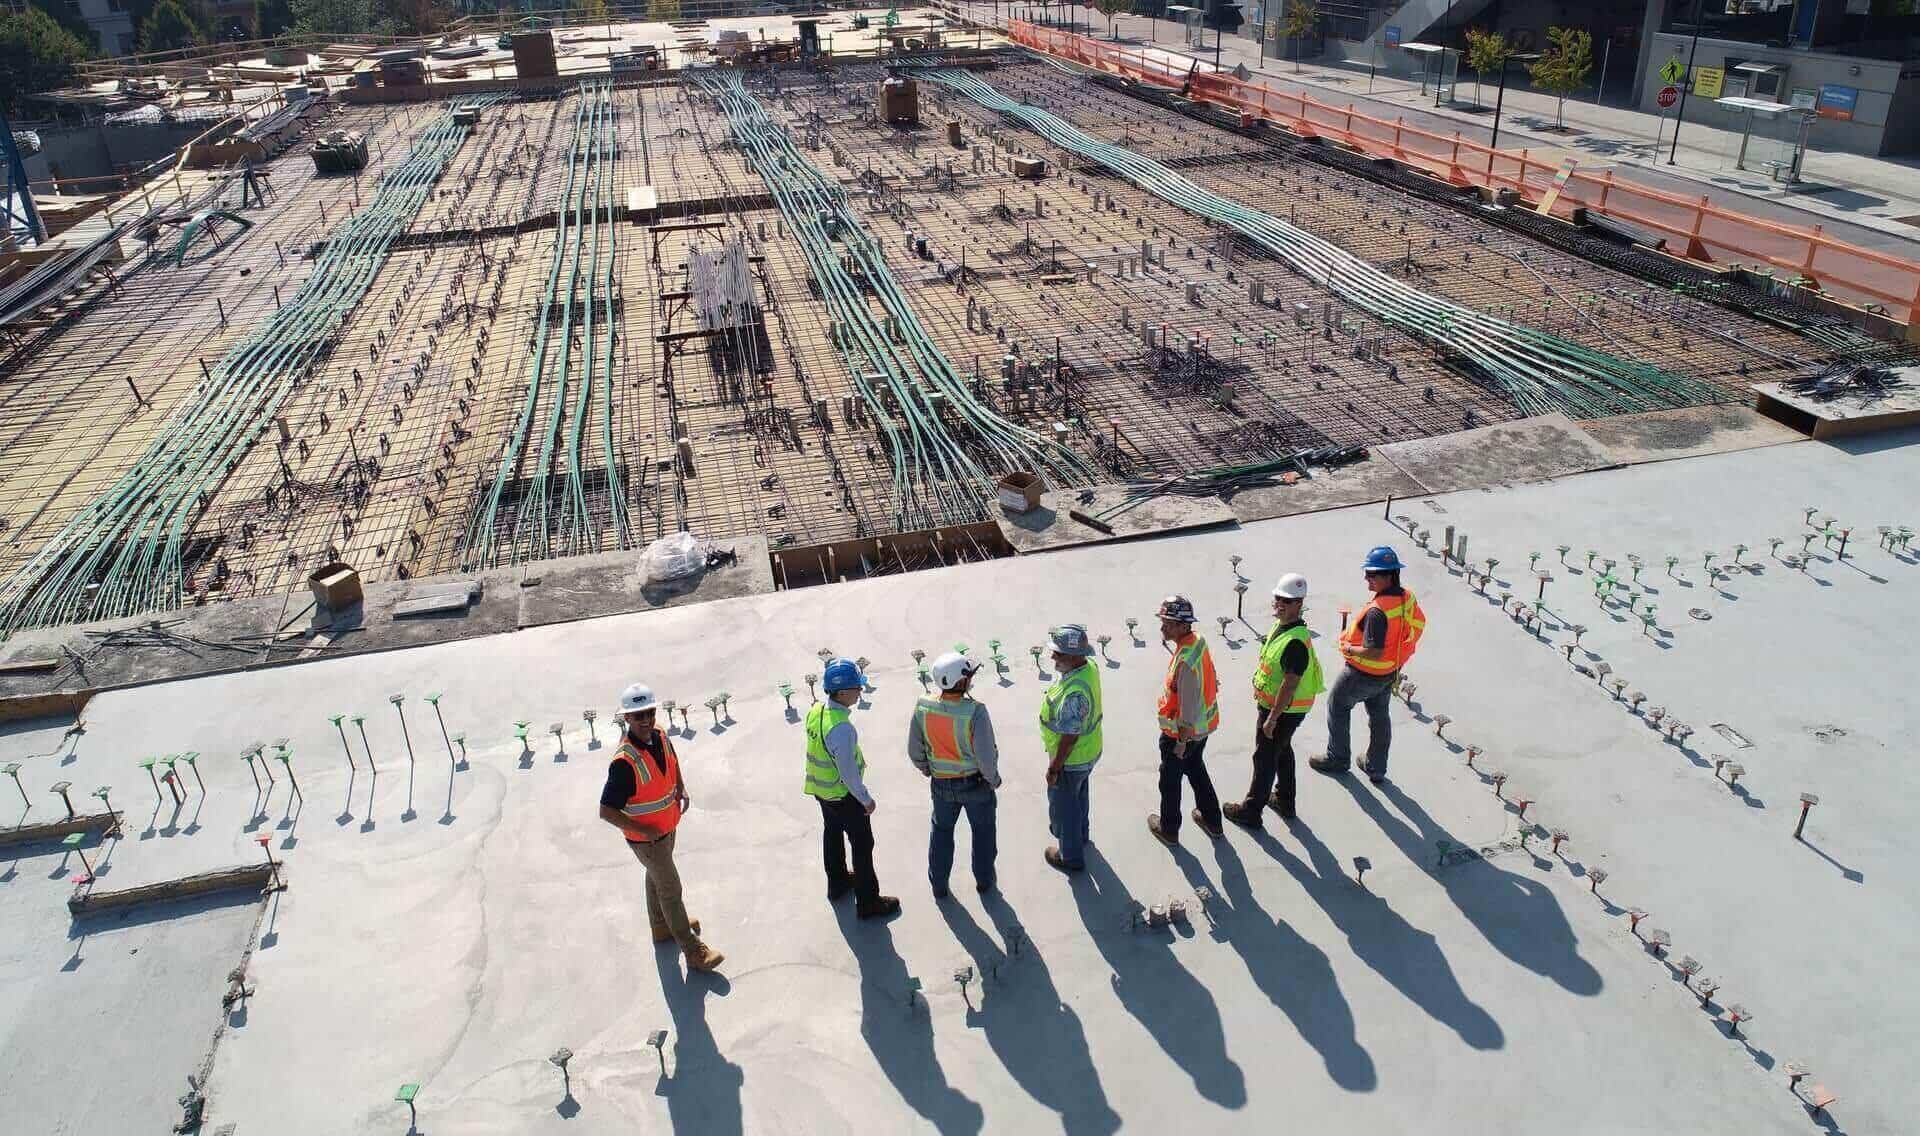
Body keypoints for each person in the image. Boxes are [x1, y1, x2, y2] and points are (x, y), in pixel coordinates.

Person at [598, 682, 724, 972]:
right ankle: (693, 951)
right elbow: (606, 811)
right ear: (627, 718)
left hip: (667, 828)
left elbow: (672, 762)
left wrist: (681, 786)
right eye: (638, 715)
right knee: (671, 889)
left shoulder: (660, 735)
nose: (646, 720)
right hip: (648, 840)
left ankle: (661, 926)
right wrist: (645, 832)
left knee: (656, 876)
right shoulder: (624, 762)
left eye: (650, 713)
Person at [1311, 546, 1427, 784]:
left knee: (1337, 705)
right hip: (1390, 670)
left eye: (1372, 574)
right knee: (1379, 715)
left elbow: (1374, 651)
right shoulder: (1406, 597)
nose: (1366, 578)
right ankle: (1376, 766)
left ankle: (1337, 758)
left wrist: (1349, 648)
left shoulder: (1377, 612)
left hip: (1362, 674)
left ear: (1389, 576)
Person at [805, 658, 901, 919]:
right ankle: (868, 902)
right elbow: (847, 771)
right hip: (843, 795)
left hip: (821, 790)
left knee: (832, 834)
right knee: (862, 844)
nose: (860, 690)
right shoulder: (841, 728)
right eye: (856, 687)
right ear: (842, 692)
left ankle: (837, 883)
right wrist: (865, 799)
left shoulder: (816, 711)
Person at [1224, 573, 1322, 830]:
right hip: (1281, 708)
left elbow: (1290, 684)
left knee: (1264, 757)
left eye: (1286, 601)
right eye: (1278, 598)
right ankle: (1285, 800)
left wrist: (1272, 718)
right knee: (1282, 750)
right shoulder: (1283, 628)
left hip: (1283, 710)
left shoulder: (1295, 642)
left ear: (1299, 603)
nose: (1280, 604)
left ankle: (1251, 811)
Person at [908, 652, 1003, 896]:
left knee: (941, 833)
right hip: (976, 784)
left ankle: (939, 885)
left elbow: (914, 749)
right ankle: (984, 881)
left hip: (941, 784)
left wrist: (927, 768)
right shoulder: (975, 711)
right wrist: (993, 780)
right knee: (983, 833)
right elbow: (985, 756)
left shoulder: (923, 706)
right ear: (960, 681)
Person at [1147, 595, 1222, 846]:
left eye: (1168, 624)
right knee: (1196, 769)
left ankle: (1169, 830)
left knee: (1169, 781)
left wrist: (1180, 743)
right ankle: (1212, 820)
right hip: (1202, 729)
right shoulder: (1197, 642)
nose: (1162, 628)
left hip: (1181, 736)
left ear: (1183, 625)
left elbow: (1187, 709)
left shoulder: (1186, 662)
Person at [1040, 624, 1103, 872]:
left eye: (1059, 653)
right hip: (1088, 753)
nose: (1053, 657)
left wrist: (1054, 768)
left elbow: (1069, 737)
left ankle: (1070, 856)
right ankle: (1081, 835)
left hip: (1072, 760)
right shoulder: (1088, 667)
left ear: (1076, 656)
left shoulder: (1075, 693)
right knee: (1079, 797)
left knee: (1064, 808)